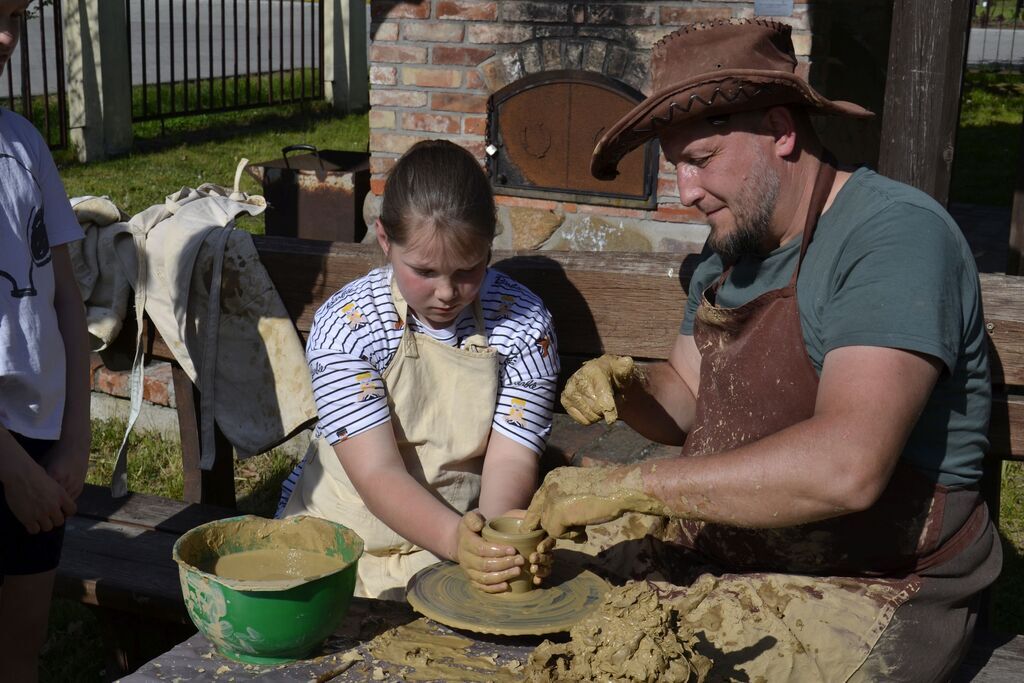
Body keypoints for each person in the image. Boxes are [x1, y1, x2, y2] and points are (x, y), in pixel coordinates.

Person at [524, 18, 1000, 682]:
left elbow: (848, 464)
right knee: (533, 588)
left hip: (874, 578)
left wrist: (624, 484)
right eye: (675, 163)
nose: (685, 192)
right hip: (733, 548)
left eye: (701, 159)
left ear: (781, 130)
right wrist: (627, 391)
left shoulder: (892, 237)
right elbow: (687, 400)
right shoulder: (731, 250)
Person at [280, 140, 559, 600]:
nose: (448, 292)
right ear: (386, 242)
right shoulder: (349, 326)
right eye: (425, 272)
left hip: (457, 538)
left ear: (489, 247)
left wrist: (490, 545)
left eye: (469, 270)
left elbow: (510, 458)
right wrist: (455, 540)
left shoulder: (523, 323)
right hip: (340, 542)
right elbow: (378, 473)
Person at [1, 2, 91, 681]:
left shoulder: (23, 144)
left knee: (18, 653)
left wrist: (76, 438)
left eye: (17, 17)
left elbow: (64, 297)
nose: (7, 36)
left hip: (40, 440)